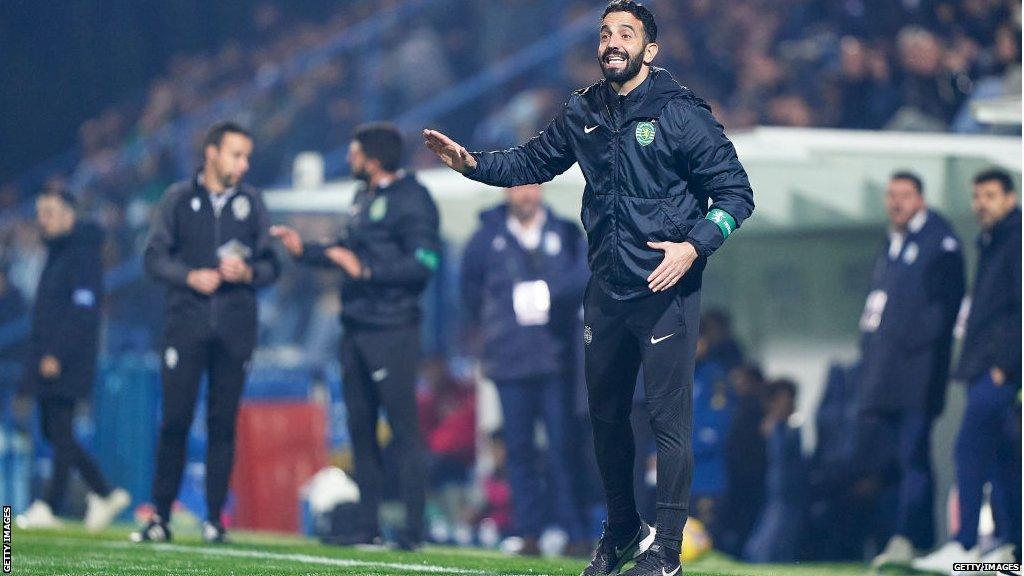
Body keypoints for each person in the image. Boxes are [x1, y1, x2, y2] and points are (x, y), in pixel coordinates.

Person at [423, 2, 754, 573]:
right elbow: (532, 160)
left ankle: (668, 549)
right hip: (606, 290)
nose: (612, 41)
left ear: (649, 50)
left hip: (663, 287)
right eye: (604, 33)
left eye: (626, 33)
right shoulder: (583, 111)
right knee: (603, 420)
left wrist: (694, 246)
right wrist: (470, 162)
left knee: (666, 422)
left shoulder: (680, 113)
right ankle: (623, 530)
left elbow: (736, 193)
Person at [272, 122, 441, 550]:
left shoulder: (412, 199)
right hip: (356, 329)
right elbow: (344, 250)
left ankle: (413, 528)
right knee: (361, 430)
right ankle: (368, 524)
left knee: (403, 431)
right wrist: (304, 251)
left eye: (354, 152)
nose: (348, 159)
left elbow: (424, 263)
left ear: (374, 158)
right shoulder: (362, 197)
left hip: (393, 330)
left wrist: (368, 272)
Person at [133, 121, 280, 544]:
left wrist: (249, 271)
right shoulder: (178, 199)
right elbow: (153, 258)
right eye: (236, 154)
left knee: (222, 423)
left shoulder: (252, 203)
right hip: (186, 325)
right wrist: (190, 276)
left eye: (247, 156)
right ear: (212, 153)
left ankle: (215, 518)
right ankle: (160, 516)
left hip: (235, 329)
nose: (244, 164)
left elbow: (272, 265)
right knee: (175, 421)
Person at [460, 183, 590, 556]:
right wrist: (494, 328)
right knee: (518, 450)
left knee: (563, 447)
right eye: (518, 188)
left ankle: (574, 530)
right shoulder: (485, 239)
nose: (526, 195)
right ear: (506, 193)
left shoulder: (565, 232)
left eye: (532, 187)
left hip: (556, 358)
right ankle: (528, 531)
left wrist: (551, 293)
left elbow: (584, 275)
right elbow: (469, 292)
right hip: (510, 360)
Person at [913, 168, 1021, 571]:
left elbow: (1017, 310)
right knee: (1004, 461)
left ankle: (965, 544)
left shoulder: (1016, 240)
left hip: (998, 370)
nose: (981, 205)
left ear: (1010, 198)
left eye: (990, 196)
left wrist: (1004, 366)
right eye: (977, 197)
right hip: (987, 367)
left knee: (970, 451)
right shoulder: (995, 240)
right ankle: (1013, 546)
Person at [860, 172, 965, 569]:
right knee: (892, 460)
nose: (896, 203)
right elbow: (877, 307)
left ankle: (912, 537)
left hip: (917, 376)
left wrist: (903, 349)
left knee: (912, 456)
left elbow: (941, 314)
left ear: (921, 199)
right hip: (885, 376)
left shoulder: (941, 242)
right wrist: (870, 352)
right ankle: (906, 538)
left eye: (904, 195)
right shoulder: (892, 242)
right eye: (891, 195)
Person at [15, 189, 130, 531]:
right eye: (40, 211)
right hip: (50, 355)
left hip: (68, 358)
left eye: (50, 211)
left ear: (69, 215)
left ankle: (50, 505)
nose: (43, 219)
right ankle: (103, 491)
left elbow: (82, 311)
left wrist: (57, 353)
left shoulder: (82, 253)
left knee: (61, 429)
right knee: (54, 431)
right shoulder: (57, 252)